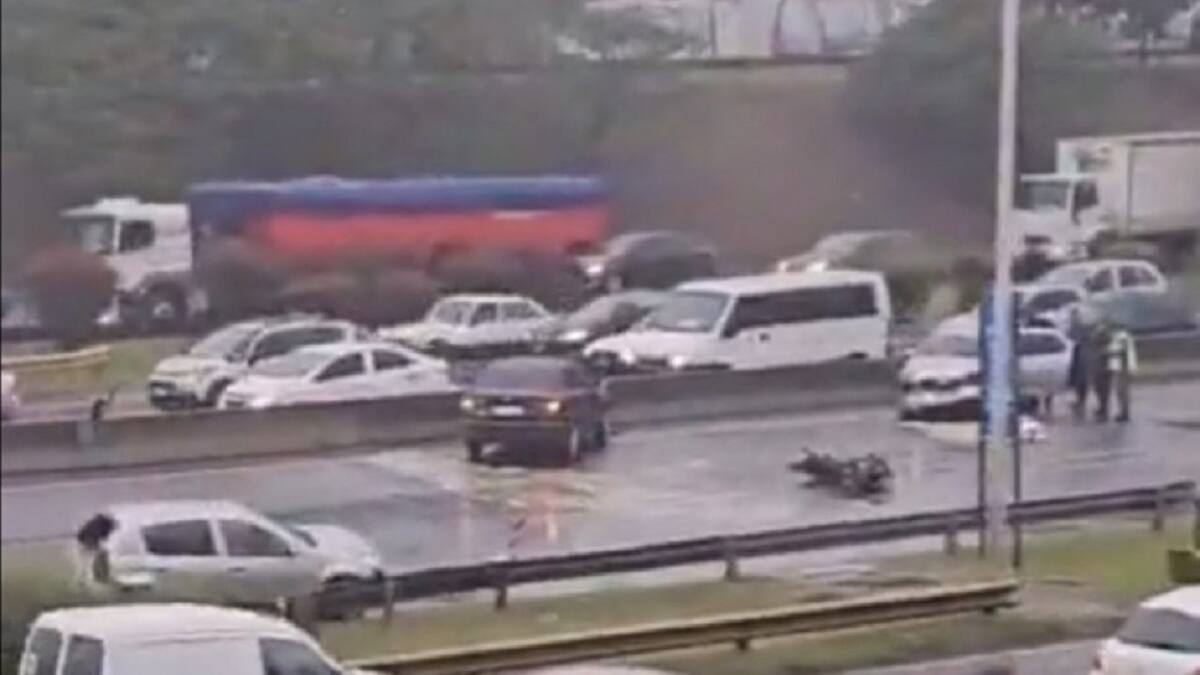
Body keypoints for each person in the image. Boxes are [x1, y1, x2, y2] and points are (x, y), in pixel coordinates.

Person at [1106, 324, 1137, 423]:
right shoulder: (1119, 337)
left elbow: (1120, 351)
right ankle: (1123, 412)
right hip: (1121, 368)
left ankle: (1124, 413)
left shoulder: (1122, 337)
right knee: (1120, 392)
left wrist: (1109, 352)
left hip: (1123, 368)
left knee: (1122, 392)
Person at [1091, 320, 1114, 421]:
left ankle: (1104, 409)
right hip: (1100, 368)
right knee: (1099, 389)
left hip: (1104, 369)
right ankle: (1102, 407)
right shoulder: (1098, 348)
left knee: (1103, 390)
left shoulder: (1106, 347)